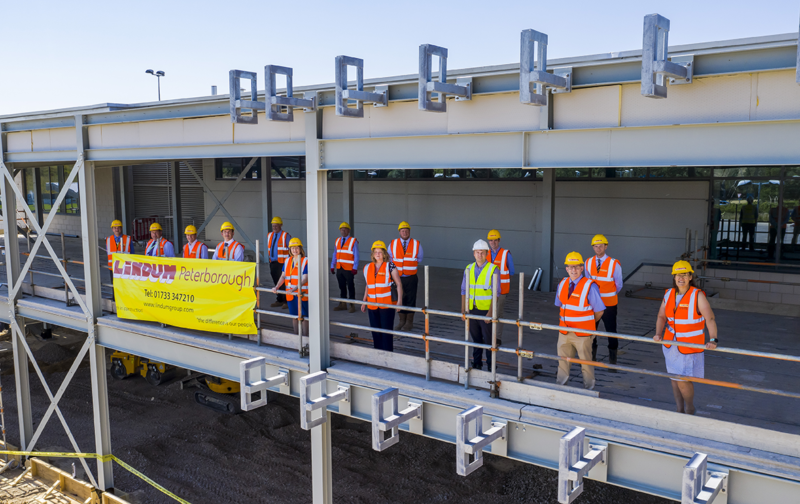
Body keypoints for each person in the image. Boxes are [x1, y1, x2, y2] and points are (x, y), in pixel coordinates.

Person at [653, 261, 718, 415]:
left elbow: (710, 318)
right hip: (670, 345)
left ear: (690, 277)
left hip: (688, 346)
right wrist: (658, 333)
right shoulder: (669, 294)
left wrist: (713, 339)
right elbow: (662, 316)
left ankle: (689, 408)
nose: (680, 278)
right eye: (677, 275)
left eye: (684, 275)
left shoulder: (697, 295)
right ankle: (679, 409)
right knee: (674, 379)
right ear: (674, 277)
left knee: (682, 380)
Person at [554, 252, 605, 390]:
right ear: (567, 269)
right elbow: (561, 305)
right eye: (571, 267)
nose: (574, 270)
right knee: (563, 363)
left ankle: (589, 390)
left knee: (586, 364)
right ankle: (560, 389)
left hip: (583, 334)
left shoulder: (590, 286)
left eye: (576, 267)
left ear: (582, 268)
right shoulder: (562, 284)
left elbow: (599, 310)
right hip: (564, 332)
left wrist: (588, 324)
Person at [584, 234, 623, 369]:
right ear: (593, 247)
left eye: (601, 246)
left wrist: (608, 295)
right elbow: (587, 283)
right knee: (592, 331)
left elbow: (619, 284)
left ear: (606, 246)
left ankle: (612, 362)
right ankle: (592, 359)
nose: (598, 248)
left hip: (609, 304)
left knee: (611, 331)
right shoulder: (588, 262)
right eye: (595, 246)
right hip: (593, 304)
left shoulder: (614, 263)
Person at [461, 240, 500, 371]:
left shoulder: (493, 269)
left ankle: (491, 366)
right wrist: (463, 310)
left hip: (485, 312)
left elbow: (496, 294)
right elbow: (463, 291)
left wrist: (490, 313)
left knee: (489, 341)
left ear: (486, 254)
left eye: (482, 252)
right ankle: (477, 364)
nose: (479, 255)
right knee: (476, 340)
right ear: (474, 253)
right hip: (472, 310)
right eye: (477, 252)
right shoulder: (469, 269)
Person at [362, 240, 403, 352]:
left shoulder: (390, 266)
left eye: (380, 252)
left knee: (386, 332)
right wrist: (364, 300)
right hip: (372, 306)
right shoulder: (367, 267)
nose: (378, 254)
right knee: (375, 332)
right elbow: (368, 285)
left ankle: (388, 355)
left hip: (386, 306)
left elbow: (399, 284)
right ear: (372, 254)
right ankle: (378, 355)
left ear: (384, 253)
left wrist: (399, 302)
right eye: (375, 252)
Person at [389, 221, 423, 331]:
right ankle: (401, 321)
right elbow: (389, 259)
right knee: (399, 298)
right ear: (399, 232)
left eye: (406, 231)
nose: (405, 232)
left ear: (409, 232)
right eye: (402, 231)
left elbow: (419, 258)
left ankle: (409, 322)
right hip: (397, 277)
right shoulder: (393, 243)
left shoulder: (416, 243)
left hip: (411, 277)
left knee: (411, 299)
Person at [272, 238, 309, 336]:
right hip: (291, 295)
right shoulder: (288, 260)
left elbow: (305, 278)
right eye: (292, 248)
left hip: (301, 294)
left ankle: (305, 338)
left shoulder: (306, 260)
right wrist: (277, 287)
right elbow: (283, 276)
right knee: (294, 316)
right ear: (290, 249)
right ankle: (296, 336)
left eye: (297, 248)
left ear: (301, 249)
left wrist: (294, 288)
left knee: (304, 317)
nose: (295, 250)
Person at [487, 230, 514, 344]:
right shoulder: (485, 253)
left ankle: (497, 338)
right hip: (487, 290)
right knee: (488, 312)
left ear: (499, 240)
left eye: (495, 240)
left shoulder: (506, 254)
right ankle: (489, 336)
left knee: (498, 314)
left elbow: (511, 272)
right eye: (491, 240)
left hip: (501, 290)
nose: (493, 242)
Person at [331, 222, 359, 313]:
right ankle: (342, 304)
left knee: (350, 286)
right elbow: (335, 253)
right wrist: (332, 265)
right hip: (340, 268)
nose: (343, 230)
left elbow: (356, 255)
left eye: (345, 229)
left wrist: (355, 267)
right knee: (341, 286)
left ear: (348, 230)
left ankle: (352, 305)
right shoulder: (337, 240)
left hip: (349, 269)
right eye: (341, 229)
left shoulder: (353, 241)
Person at [267, 217, 291, 309]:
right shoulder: (269, 235)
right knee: (276, 282)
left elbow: (290, 249)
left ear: (281, 225)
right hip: (273, 262)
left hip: (283, 263)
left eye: (276, 225)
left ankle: (286, 301)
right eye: (273, 225)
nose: (275, 227)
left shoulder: (285, 235)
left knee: (284, 282)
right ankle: (279, 299)